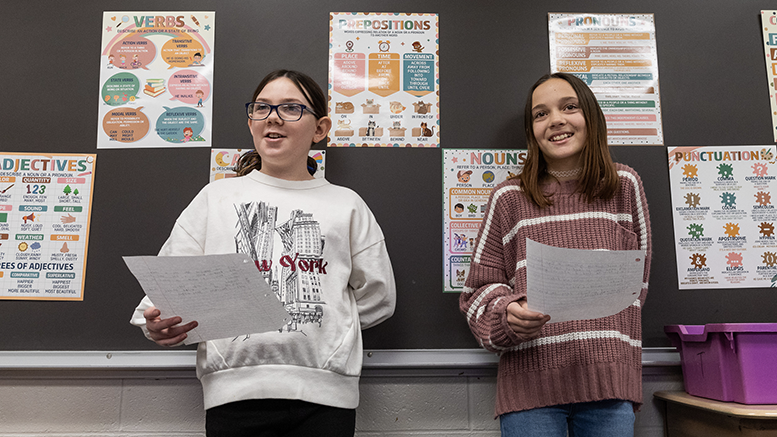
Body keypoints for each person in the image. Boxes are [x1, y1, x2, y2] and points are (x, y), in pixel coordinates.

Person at [130, 69, 396, 437]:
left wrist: (331, 331)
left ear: (320, 129)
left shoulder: (346, 205)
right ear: (251, 121)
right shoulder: (217, 198)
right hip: (233, 394)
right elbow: (164, 292)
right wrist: (156, 323)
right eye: (262, 108)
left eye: (291, 108)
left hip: (326, 397)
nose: (273, 116)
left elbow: (378, 297)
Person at [459, 72, 651, 437]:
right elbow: (477, 293)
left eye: (569, 107)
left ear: (591, 117)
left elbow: (636, 287)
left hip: (609, 383)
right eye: (540, 114)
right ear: (532, 132)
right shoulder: (508, 198)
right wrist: (506, 317)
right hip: (530, 386)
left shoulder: (625, 185)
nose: (556, 120)